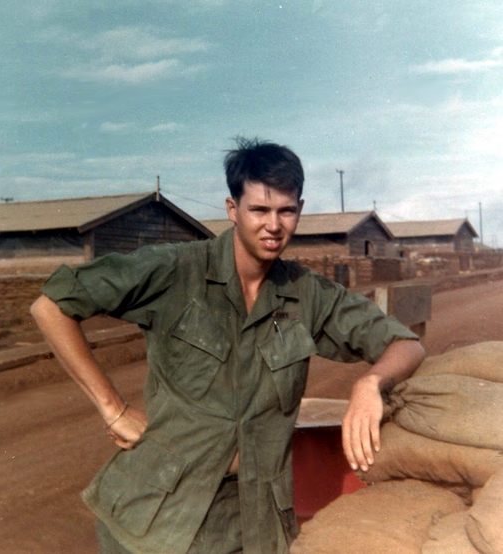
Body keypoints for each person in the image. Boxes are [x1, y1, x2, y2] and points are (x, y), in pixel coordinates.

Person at [30, 137, 425, 554]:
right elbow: (51, 305)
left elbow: (406, 343)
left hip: (251, 526)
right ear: (232, 210)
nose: (273, 225)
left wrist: (370, 384)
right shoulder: (175, 270)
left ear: (299, 211)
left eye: (286, 211)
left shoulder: (307, 294)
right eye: (259, 210)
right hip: (154, 522)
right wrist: (113, 408)